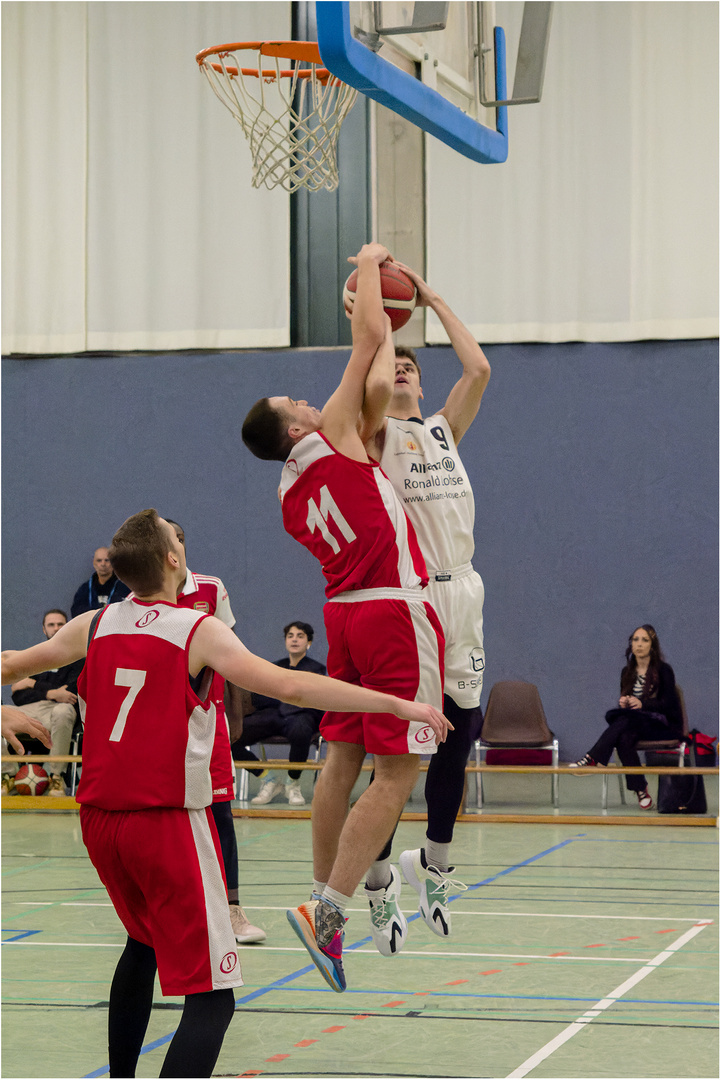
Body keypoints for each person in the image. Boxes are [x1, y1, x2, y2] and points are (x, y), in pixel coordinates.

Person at [1, 508, 447, 1074]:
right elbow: (291, 685)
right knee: (214, 998)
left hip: (98, 820)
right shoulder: (195, 628)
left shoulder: (93, 623)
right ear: (172, 558)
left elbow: (11, 662)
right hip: (162, 822)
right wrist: (396, 702)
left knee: (142, 946)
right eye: (172, 535)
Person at [242, 242, 449, 990]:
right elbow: (366, 345)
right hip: (394, 608)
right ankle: (327, 908)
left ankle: (321, 896)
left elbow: (372, 372)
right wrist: (366, 263)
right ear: (294, 430)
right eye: (290, 404)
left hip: (343, 614)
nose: (302, 399)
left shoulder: (289, 492)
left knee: (342, 761)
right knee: (399, 770)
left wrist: (385, 319)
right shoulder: (328, 430)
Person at [360, 261, 490, 939]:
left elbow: (478, 372)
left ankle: (431, 863)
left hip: (463, 590)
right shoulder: (376, 434)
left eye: (412, 363)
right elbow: (372, 383)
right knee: (397, 753)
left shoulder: (442, 428)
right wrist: (379, 328)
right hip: (413, 600)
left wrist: (432, 298)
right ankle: (377, 878)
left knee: (460, 735)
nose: (404, 369)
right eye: (397, 364)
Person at [165, 518, 266, 945]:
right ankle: (178, 910)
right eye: (172, 540)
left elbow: (234, 654)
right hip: (164, 722)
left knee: (220, 813)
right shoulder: (138, 597)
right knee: (167, 817)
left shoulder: (210, 588)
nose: (179, 547)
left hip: (209, 719)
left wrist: (237, 713)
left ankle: (232, 911)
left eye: (182, 538)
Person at [570, 624, 682, 810]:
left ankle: (593, 757)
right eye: (635, 640)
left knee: (624, 721)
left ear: (652, 646)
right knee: (623, 737)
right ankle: (641, 789)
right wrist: (625, 702)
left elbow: (669, 704)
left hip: (661, 725)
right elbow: (628, 702)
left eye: (644, 640)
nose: (639, 644)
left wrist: (643, 704)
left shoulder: (664, 670)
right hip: (636, 723)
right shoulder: (627, 672)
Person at [234, 621, 326, 806]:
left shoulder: (316, 669)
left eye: (300, 636)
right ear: (285, 641)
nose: (294, 640)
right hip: (275, 715)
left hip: (301, 715)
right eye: (290, 636)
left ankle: (293, 782)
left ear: (309, 642)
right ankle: (268, 779)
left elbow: (314, 701)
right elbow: (261, 698)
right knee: (232, 735)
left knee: (301, 730)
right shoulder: (274, 668)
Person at [2, 609, 83, 796]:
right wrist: (51, 692)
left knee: (63, 710)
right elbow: (19, 695)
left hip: (61, 712)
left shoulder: (78, 657)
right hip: (32, 710)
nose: (56, 628)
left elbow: (71, 694)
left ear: (68, 627)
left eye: (60, 624)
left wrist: (32, 684)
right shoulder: (34, 656)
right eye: (51, 625)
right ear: (44, 630)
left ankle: (56, 778)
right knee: (2, 711)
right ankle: (7, 776)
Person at [70, 547, 130, 617]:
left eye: (107, 560)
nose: (103, 564)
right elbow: (76, 613)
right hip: (90, 626)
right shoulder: (85, 589)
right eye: (99, 560)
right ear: (94, 563)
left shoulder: (124, 588)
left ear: (113, 563)